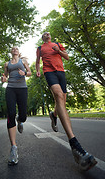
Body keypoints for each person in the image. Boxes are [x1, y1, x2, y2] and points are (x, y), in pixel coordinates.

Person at [36, 32, 97, 171]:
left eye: (49, 33)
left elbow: (67, 57)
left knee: (62, 99)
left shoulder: (57, 44)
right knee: (58, 95)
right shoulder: (40, 48)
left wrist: (59, 51)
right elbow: (37, 62)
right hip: (49, 72)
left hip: (61, 72)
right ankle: (75, 145)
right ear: (43, 38)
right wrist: (38, 70)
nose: (47, 34)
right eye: (45, 33)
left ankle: (54, 114)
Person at [1, 46, 31, 166]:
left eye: (16, 48)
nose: (15, 49)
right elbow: (5, 76)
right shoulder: (7, 63)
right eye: (13, 48)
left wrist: (24, 73)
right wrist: (4, 78)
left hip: (22, 89)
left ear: (19, 52)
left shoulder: (23, 61)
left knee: (23, 115)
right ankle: (13, 147)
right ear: (11, 52)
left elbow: (30, 73)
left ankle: (20, 120)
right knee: (11, 113)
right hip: (11, 89)